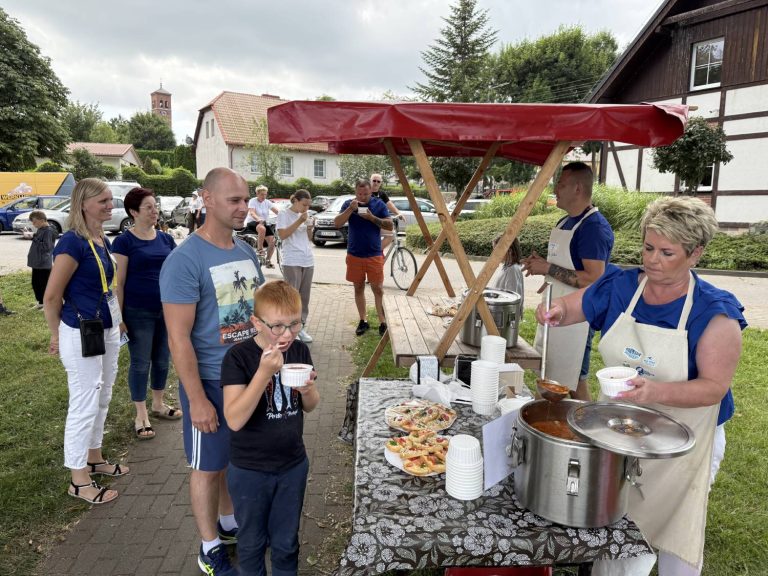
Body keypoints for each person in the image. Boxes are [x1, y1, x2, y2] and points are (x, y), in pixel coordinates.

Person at [535, 196, 745, 576]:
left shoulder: (715, 312)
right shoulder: (621, 285)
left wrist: (653, 392)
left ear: (694, 254)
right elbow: (576, 305)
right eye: (649, 247)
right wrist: (557, 311)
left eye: (667, 252)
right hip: (620, 428)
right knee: (620, 525)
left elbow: (713, 387)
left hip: (688, 440)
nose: (652, 259)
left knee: (676, 532)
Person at [161, 167, 264, 576]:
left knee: (230, 460)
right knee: (206, 467)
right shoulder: (185, 260)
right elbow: (178, 338)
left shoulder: (245, 250)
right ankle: (209, 548)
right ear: (206, 199)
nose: (244, 208)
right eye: (234, 200)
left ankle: (228, 523)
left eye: (245, 200)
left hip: (245, 378)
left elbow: (254, 313)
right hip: (207, 382)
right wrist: (197, 400)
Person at [221, 280, 319, 576]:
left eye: (295, 323)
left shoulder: (299, 351)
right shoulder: (238, 358)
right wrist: (264, 372)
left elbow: (311, 406)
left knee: (287, 543)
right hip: (249, 471)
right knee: (251, 544)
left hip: (292, 465)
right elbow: (234, 419)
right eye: (277, 326)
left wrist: (307, 391)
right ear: (256, 322)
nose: (287, 334)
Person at [43, 178, 130, 505]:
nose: (110, 205)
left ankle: (94, 457)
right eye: (103, 201)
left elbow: (107, 287)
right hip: (81, 332)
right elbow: (52, 296)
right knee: (84, 400)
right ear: (83, 204)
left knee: (103, 394)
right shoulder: (72, 243)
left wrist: (118, 320)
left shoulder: (101, 238)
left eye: (110, 200)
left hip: (105, 329)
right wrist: (55, 334)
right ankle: (78, 479)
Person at [522, 162, 613, 400]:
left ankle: (587, 429)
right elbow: (566, 264)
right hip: (554, 308)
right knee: (550, 372)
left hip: (578, 318)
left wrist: (549, 267)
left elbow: (594, 279)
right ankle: (548, 416)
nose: (555, 190)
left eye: (560, 185)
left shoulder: (593, 228)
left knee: (574, 379)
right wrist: (545, 269)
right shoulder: (565, 222)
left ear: (578, 189)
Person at [113, 188, 180, 441]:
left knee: (163, 360)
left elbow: (175, 274)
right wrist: (119, 318)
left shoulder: (166, 239)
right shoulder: (124, 242)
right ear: (133, 212)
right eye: (148, 207)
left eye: (155, 206)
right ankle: (140, 414)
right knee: (141, 363)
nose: (155, 211)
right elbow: (119, 282)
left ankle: (158, 404)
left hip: (166, 310)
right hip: (137, 311)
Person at [334, 178, 393, 336]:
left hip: (374, 254)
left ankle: (382, 322)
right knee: (358, 287)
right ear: (355, 192)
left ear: (370, 191)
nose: (362, 197)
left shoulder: (378, 204)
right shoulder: (349, 204)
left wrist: (372, 218)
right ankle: (363, 320)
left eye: (366, 194)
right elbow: (337, 223)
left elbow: (390, 225)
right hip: (354, 254)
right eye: (359, 194)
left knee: (378, 289)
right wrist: (349, 210)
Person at [276, 189, 315, 343]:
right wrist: (300, 221)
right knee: (293, 297)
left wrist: (310, 227)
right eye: (304, 204)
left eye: (308, 205)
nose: (306, 208)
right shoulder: (284, 214)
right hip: (292, 259)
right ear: (296, 201)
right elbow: (282, 235)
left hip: (307, 259)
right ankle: (291, 329)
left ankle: (301, 327)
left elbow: (309, 239)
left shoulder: (305, 215)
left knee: (304, 297)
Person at [244, 185, 280, 268]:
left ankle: (267, 261)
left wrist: (285, 216)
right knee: (262, 228)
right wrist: (258, 219)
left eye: (265, 194)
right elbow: (252, 212)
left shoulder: (267, 202)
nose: (264, 196)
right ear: (257, 194)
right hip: (253, 222)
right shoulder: (253, 201)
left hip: (264, 222)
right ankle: (260, 249)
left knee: (273, 241)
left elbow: (277, 211)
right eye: (262, 194)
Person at [27, 210, 57, 309]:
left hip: (43, 263)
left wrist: (34, 237)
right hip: (37, 263)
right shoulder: (41, 229)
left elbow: (47, 247)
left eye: (35, 222)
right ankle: (40, 302)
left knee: (44, 283)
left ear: (42, 220)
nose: (33, 224)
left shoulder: (48, 231)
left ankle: (46, 304)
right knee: (36, 283)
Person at [490, 236, 524, 308]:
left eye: (497, 250)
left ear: (509, 251)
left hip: (503, 316)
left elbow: (511, 299)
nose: (494, 253)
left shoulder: (512, 271)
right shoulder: (507, 267)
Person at [371, 173, 402, 252]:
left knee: (390, 234)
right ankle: (375, 253)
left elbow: (390, 205)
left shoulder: (382, 194)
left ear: (381, 183)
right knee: (390, 234)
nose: (376, 183)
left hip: (379, 223)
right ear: (370, 181)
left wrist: (398, 213)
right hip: (370, 222)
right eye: (374, 180)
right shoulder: (366, 193)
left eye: (378, 181)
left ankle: (377, 252)